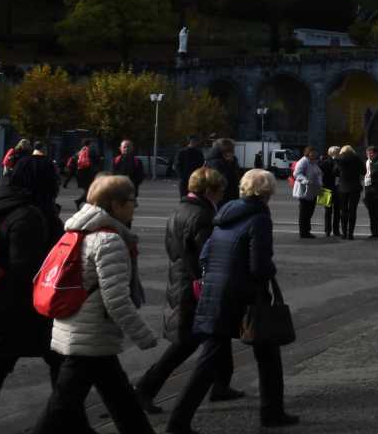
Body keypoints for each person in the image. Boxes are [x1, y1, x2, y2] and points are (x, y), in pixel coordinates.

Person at [166, 170, 298, 431]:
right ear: (266, 193)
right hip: (245, 294)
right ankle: (272, 412)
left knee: (209, 359)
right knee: (268, 353)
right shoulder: (259, 218)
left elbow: (205, 255)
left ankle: (178, 421)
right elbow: (259, 265)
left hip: (216, 290)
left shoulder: (224, 214)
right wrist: (269, 273)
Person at [32, 175, 158, 434]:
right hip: (90, 332)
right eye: (132, 200)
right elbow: (116, 298)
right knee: (61, 408)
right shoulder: (108, 240)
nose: (135, 206)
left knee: (120, 400)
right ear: (116, 204)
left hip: (80, 326)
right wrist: (143, 335)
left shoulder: (78, 230)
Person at [135, 168, 243, 413]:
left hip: (180, 278)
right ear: (208, 191)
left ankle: (221, 384)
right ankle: (145, 389)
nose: (222, 195)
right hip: (193, 285)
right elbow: (206, 254)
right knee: (186, 344)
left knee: (218, 336)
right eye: (220, 190)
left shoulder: (181, 209)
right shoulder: (203, 215)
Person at [0, 179, 61, 434]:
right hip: (20, 306)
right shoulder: (28, 215)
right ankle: (65, 420)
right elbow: (26, 266)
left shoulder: (1, 207)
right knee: (59, 361)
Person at [290, 147, 321, 239]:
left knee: (310, 211)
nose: (315, 154)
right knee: (304, 212)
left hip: (312, 190)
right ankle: (304, 232)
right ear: (308, 153)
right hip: (304, 190)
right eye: (313, 153)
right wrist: (305, 180)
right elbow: (296, 174)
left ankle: (307, 230)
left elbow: (318, 172)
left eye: (315, 153)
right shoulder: (303, 161)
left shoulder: (313, 162)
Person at [335, 145, 363, 240]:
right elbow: (364, 171)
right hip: (355, 187)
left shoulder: (340, 159)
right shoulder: (357, 158)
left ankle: (344, 233)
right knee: (353, 211)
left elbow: (335, 171)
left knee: (343, 211)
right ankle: (350, 233)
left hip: (343, 187)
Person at [204, 139, 241, 203]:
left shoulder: (232, 159)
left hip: (231, 193)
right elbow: (221, 179)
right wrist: (230, 164)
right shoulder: (215, 162)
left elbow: (237, 174)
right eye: (232, 149)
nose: (233, 151)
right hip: (221, 196)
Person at [319, 149, 341, 238]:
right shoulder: (327, 162)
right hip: (330, 188)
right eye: (338, 152)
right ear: (333, 153)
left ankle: (328, 231)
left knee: (329, 211)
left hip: (326, 188)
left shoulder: (324, 162)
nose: (339, 153)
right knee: (335, 211)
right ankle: (334, 231)